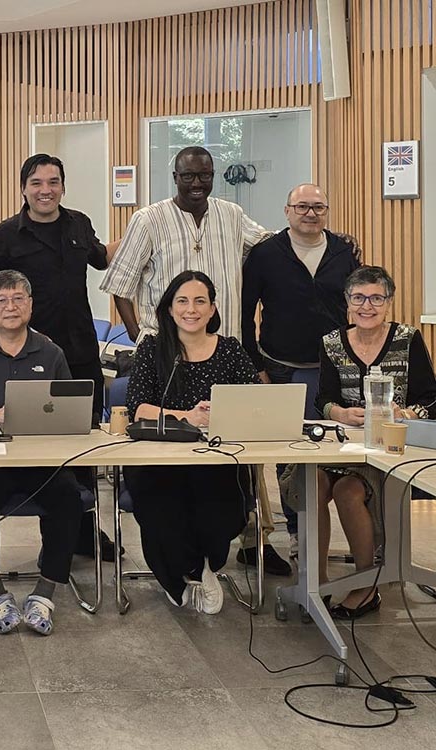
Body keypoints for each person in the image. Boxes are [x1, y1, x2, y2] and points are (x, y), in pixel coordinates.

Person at [102, 146, 289, 577]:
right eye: (188, 176)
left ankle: (251, 542)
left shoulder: (232, 214)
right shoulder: (148, 219)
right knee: (174, 467)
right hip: (164, 356)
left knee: (238, 450)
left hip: (223, 351)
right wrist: (143, 336)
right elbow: (121, 283)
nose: (197, 183)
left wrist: (319, 237)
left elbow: (273, 248)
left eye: (204, 175)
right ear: (175, 176)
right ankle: (185, 552)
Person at [0, 153, 121, 562]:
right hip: (31, 358)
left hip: (80, 353)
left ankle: (82, 528)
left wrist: (143, 231)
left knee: (82, 442)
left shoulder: (78, 223)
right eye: (37, 183)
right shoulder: (6, 235)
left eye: (54, 182)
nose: (46, 190)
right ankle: (53, 525)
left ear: (63, 185)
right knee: (39, 442)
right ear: (23, 188)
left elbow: (102, 257)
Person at [0, 270, 84, 635]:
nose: (11, 307)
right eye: (1, 301)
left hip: (41, 460)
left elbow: (71, 408)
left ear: (30, 304)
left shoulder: (50, 352)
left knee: (69, 497)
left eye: (18, 299)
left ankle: (45, 593)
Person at [122, 271, 257, 614]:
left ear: (212, 309)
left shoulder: (229, 350)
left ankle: (200, 565)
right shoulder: (153, 348)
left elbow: (254, 401)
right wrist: (188, 416)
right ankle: (189, 572)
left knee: (221, 501)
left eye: (200, 301)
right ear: (169, 308)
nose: (191, 309)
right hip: (158, 456)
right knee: (159, 502)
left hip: (217, 456)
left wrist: (224, 413)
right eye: (182, 301)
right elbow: (140, 407)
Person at [310, 266, 436, 619]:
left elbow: (431, 398)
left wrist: (407, 413)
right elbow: (324, 399)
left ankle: (367, 585)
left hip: (391, 449)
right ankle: (315, 584)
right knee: (313, 483)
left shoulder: (407, 339)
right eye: (359, 298)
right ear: (348, 303)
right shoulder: (331, 343)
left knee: (348, 491)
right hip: (342, 445)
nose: (367, 306)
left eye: (376, 298)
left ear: (388, 303)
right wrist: (338, 412)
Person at [242, 183, 359, 558]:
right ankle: (297, 533)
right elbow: (246, 314)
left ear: (327, 211)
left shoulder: (344, 252)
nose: (311, 213)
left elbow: (355, 305)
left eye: (319, 207)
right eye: (303, 206)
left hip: (333, 369)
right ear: (287, 210)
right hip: (280, 367)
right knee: (289, 451)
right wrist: (255, 365)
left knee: (333, 450)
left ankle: (341, 532)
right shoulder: (265, 253)